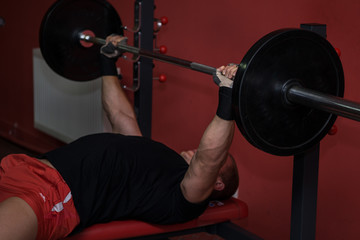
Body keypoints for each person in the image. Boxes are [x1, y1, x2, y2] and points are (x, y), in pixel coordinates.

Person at [0, 35, 239, 240]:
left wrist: (228, 93)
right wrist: (107, 61)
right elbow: (120, 115)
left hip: (55, 195)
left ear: (216, 183)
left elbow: (208, 158)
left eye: (220, 163)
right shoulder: (159, 161)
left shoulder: (185, 198)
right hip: (29, 167)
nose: (197, 152)